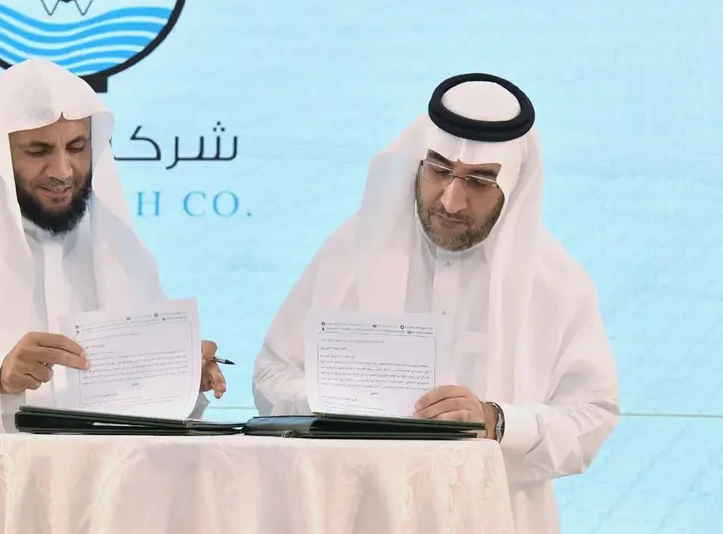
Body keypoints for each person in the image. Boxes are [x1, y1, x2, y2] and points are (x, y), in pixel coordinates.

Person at [0, 59, 227, 534]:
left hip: (90, 511)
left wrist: (180, 378)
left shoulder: (120, 248)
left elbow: (136, 405)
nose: (63, 170)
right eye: (39, 150)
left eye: (77, 147)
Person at [252, 73, 618, 534]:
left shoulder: (555, 281)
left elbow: (593, 415)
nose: (451, 200)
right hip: (360, 516)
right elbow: (272, 375)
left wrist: (497, 422)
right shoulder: (351, 253)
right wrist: (341, 405)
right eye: (440, 170)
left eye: (479, 181)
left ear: (514, 187)